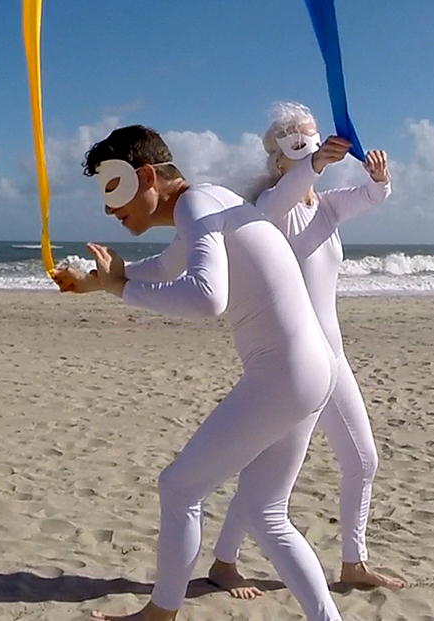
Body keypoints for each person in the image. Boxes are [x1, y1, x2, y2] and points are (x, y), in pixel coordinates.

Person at [52, 124, 344, 621]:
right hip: (314, 370)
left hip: (284, 375)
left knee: (180, 488)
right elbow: (169, 267)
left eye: (112, 189)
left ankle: (161, 613)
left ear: (146, 176)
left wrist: (119, 290)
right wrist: (103, 282)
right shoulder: (208, 202)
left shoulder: (194, 205)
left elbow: (208, 298)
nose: (107, 209)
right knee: (267, 514)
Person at [207, 102, 407, 597]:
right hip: (293, 364)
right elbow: (285, 196)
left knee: (362, 461)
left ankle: (353, 563)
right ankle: (224, 563)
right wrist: (313, 165)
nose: (312, 155)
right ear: (278, 161)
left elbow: (372, 197)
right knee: (267, 471)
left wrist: (379, 176)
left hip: (332, 358)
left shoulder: (328, 205)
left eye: (315, 144)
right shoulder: (269, 212)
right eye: (299, 149)